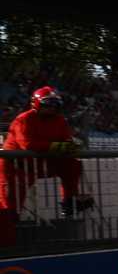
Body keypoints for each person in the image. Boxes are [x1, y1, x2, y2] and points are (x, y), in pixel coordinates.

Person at [0, 86, 89, 222]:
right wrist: (59, 146)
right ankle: (10, 227)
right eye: (47, 104)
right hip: (15, 165)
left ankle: (69, 201)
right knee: (12, 202)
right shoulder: (24, 119)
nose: (51, 108)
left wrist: (63, 147)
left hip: (41, 161)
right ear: (36, 104)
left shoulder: (59, 120)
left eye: (55, 105)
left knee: (73, 164)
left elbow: (68, 143)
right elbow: (28, 145)